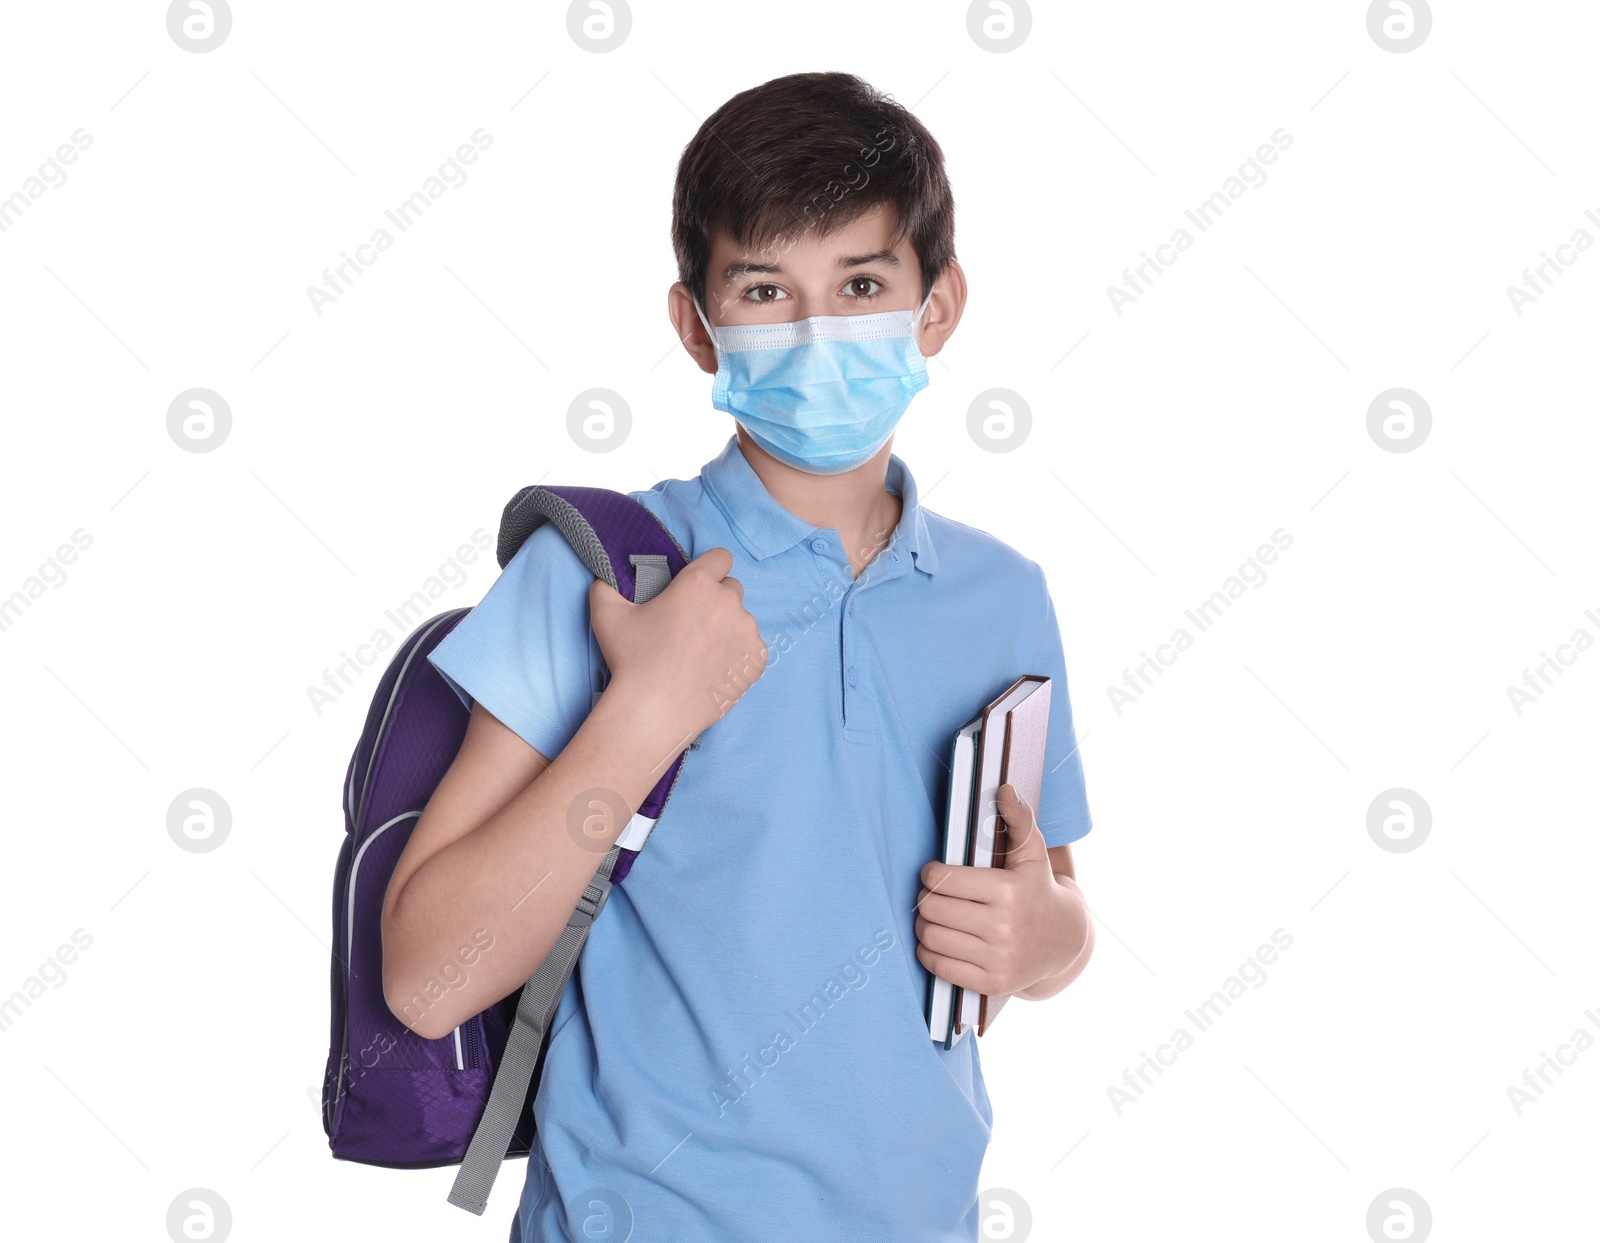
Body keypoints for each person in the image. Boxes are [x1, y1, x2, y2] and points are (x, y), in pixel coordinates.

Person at [380, 70, 1095, 1242]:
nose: (819, 333)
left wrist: (1058, 942)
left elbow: (1034, 901)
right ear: (694, 323)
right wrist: (645, 711)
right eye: (765, 289)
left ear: (938, 303)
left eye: (861, 283)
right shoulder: (604, 572)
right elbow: (426, 978)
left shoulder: (1000, 597)